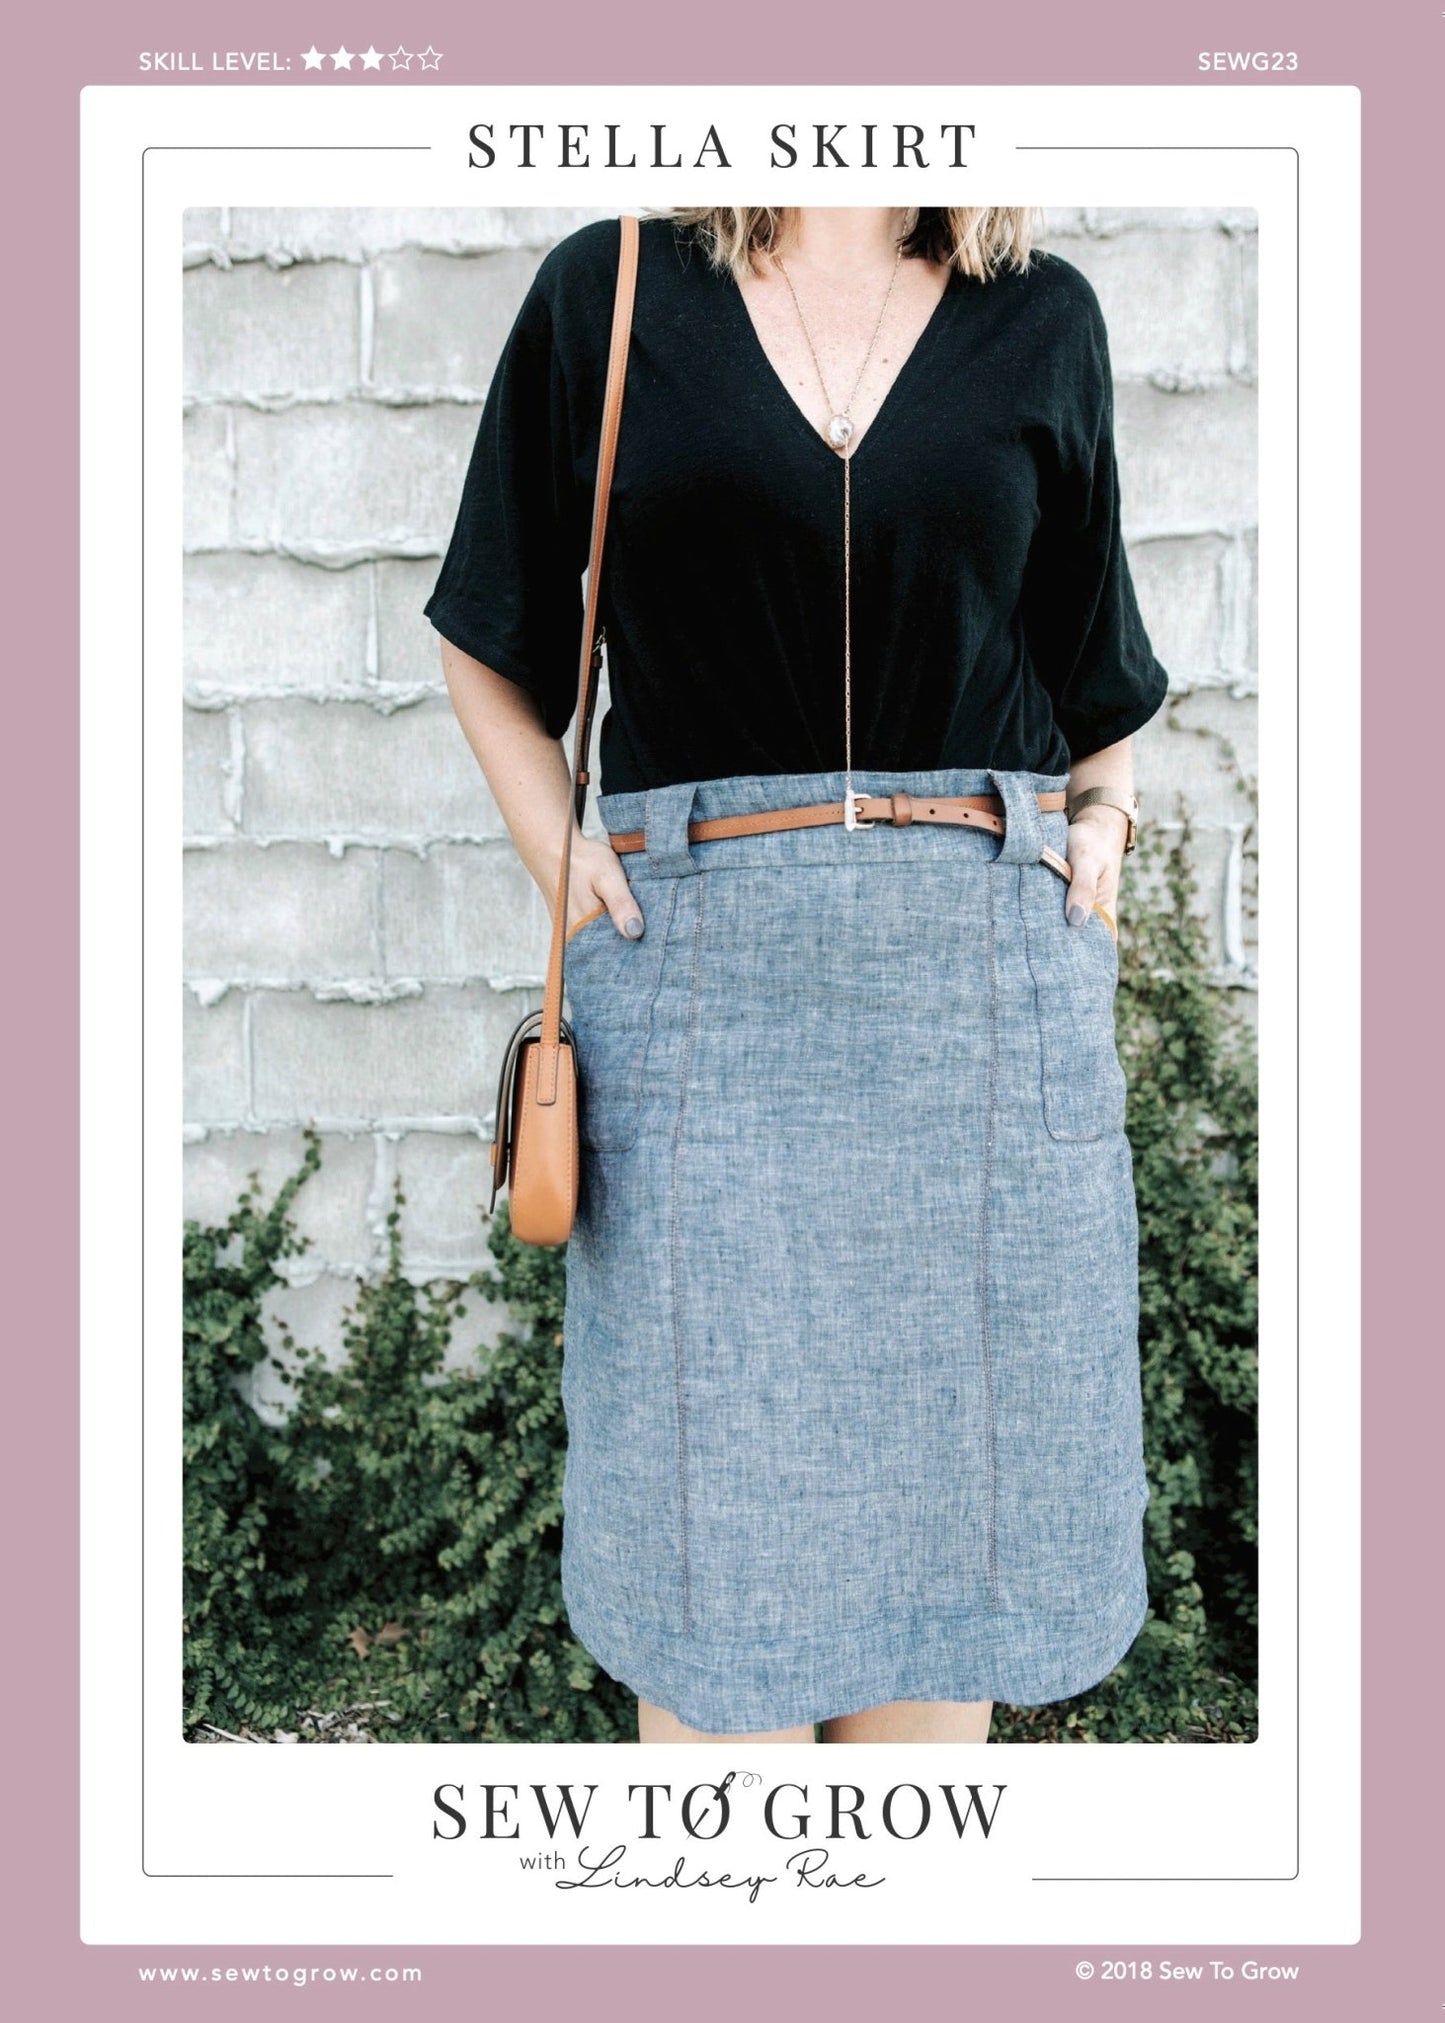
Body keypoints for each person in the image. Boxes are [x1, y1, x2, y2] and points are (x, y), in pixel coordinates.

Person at [425, 206, 1168, 1745]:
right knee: (713, 1596)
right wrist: (557, 852)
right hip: (703, 996)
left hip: (977, 1005)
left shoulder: (1041, 314)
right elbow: (489, 635)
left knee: (951, 1572)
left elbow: (1097, 672)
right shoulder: (609, 288)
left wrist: (1101, 823)